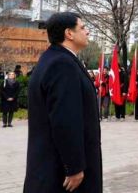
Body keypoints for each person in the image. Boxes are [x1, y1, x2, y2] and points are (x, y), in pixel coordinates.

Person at [23, 12, 102, 193]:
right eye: (82, 28)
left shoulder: (53, 58)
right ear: (69, 33)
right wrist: (73, 166)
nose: (87, 32)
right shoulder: (62, 64)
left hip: (50, 163)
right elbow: (65, 119)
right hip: (60, 172)